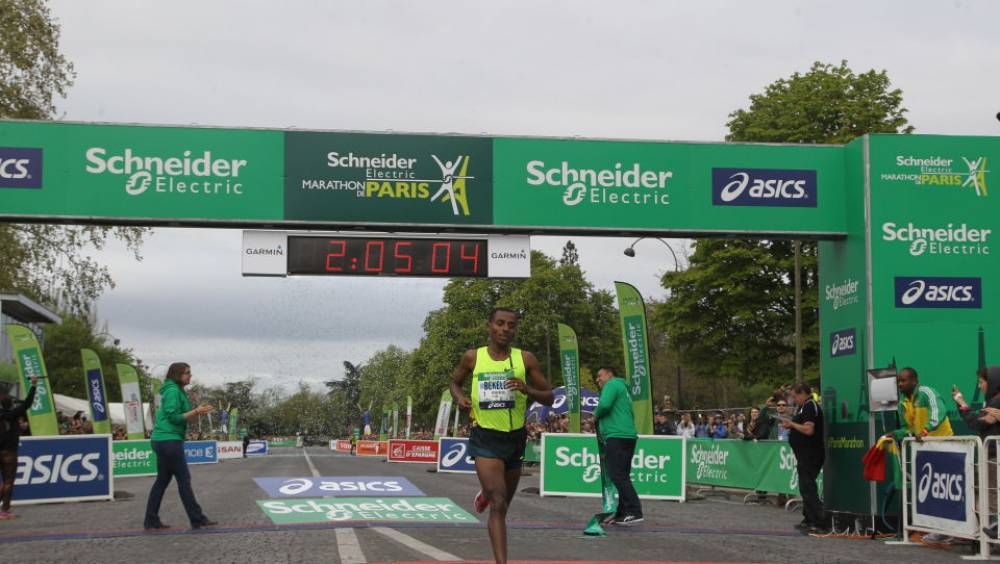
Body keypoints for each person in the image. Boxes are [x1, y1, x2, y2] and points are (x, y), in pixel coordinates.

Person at [450, 307, 553, 564]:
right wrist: (460, 398)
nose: (505, 329)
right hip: (485, 436)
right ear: (489, 326)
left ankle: (485, 493)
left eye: (511, 325)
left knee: (503, 503)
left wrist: (527, 389)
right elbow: (454, 383)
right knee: (498, 501)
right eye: (500, 323)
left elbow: (549, 397)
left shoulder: (525, 359)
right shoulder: (473, 357)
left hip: (515, 438)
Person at [143, 362, 217, 530]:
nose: (190, 376)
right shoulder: (173, 391)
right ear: (177, 375)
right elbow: (174, 417)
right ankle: (196, 518)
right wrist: (196, 411)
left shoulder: (175, 390)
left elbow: (176, 415)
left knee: (162, 481)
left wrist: (196, 411)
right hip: (169, 440)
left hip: (162, 440)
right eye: (187, 373)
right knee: (184, 480)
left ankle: (151, 519)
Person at [593, 367, 643, 525]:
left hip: (617, 435)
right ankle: (622, 513)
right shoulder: (622, 387)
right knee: (622, 475)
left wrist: (595, 415)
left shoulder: (612, 384)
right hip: (628, 436)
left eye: (600, 375)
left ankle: (634, 511)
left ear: (610, 374)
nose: (597, 379)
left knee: (617, 475)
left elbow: (605, 405)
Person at [954, 366, 1000, 537]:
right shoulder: (993, 401)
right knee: (986, 496)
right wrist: (963, 406)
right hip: (991, 456)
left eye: (981, 382)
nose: (979, 386)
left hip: (994, 456)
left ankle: (994, 531)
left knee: (991, 495)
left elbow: (978, 423)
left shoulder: (997, 400)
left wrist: (963, 405)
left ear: (992, 382)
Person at [781, 382, 826, 534]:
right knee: (805, 486)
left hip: (811, 453)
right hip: (804, 453)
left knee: (808, 487)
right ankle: (808, 518)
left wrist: (792, 424)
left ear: (802, 393)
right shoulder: (804, 407)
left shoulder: (810, 406)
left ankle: (820, 522)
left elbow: (808, 430)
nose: (794, 400)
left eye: (795, 397)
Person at [0, 376, 37, 519]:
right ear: (10, 405)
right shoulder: (12, 414)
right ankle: (5, 510)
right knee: (8, 482)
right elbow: (27, 403)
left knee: (4, 483)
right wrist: (33, 385)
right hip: (9, 452)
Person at [887, 367, 953, 441]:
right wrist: (895, 435)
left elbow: (938, 412)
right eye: (898, 381)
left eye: (903, 381)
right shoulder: (901, 404)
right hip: (921, 444)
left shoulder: (926, 393)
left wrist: (925, 430)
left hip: (944, 441)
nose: (900, 384)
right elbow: (909, 430)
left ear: (914, 381)